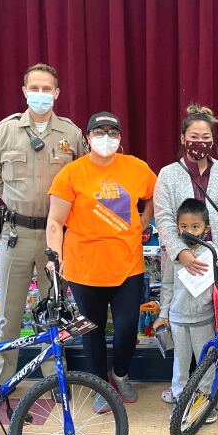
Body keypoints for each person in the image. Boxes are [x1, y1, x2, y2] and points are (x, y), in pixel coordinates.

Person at [47, 111, 157, 412]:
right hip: (84, 268)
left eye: (112, 132)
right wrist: (54, 258)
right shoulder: (71, 174)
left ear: (120, 138)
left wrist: (143, 223)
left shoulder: (136, 168)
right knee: (90, 331)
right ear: (87, 137)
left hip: (127, 267)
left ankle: (120, 374)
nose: (105, 138)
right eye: (99, 131)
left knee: (126, 328)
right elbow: (55, 221)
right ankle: (99, 385)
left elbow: (155, 196)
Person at [0, 63, 85, 383]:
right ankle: (2, 381)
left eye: (47, 89)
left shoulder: (71, 133)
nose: (40, 95)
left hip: (55, 237)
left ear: (56, 94)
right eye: (35, 88)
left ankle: (53, 378)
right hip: (16, 234)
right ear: (24, 91)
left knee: (53, 312)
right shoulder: (5, 131)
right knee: (9, 315)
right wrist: (20, 204)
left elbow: (83, 178)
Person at [153, 104, 218, 408]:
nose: (199, 142)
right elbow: (163, 218)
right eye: (193, 136)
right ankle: (183, 384)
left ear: (212, 140)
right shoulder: (168, 174)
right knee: (184, 325)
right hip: (183, 263)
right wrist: (180, 252)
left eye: (205, 137)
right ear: (182, 138)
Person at [153, 199, 218, 422]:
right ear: (177, 227)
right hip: (178, 319)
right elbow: (167, 286)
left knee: (206, 364)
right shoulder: (175, 255)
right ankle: (180, 399)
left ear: (206, 229)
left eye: (196, 226)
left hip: (205, 320)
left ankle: (205, 403)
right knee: (180, 363)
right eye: (184, 226)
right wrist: (163, 314)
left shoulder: (213, 253)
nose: (189, 231)